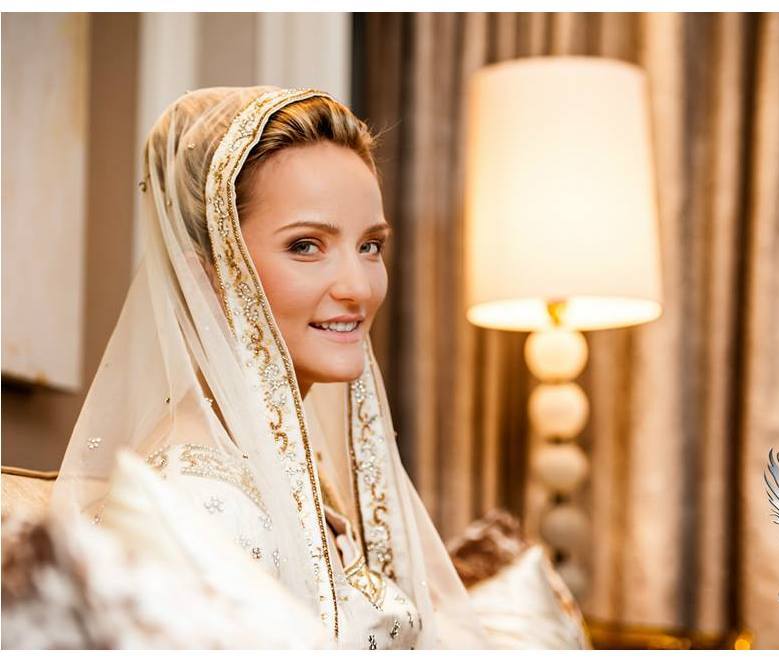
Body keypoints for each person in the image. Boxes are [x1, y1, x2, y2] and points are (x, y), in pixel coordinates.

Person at [50, 86, 490, 649]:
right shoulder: (201, 502)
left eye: (370, 246)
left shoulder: (290, 466)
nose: (359, 288)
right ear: (209, 279)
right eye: (306, 245)